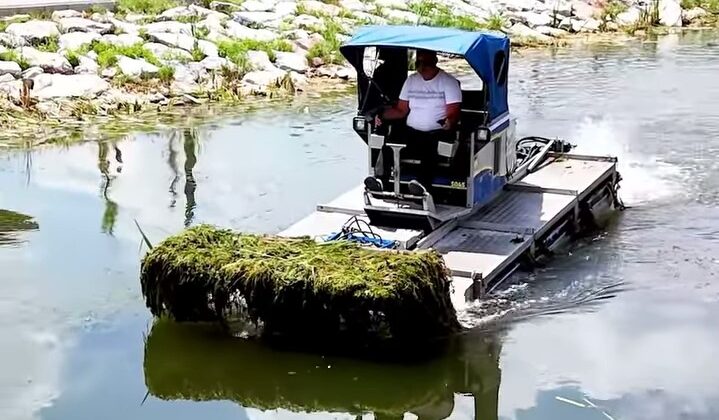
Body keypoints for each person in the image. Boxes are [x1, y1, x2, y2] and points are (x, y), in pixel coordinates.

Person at [365, 49, 462, 195]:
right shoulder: (411, 81)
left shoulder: (448, 82)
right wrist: (381, 115)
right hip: (411, 131)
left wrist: (450, 121)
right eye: (418, 63)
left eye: (426, 63)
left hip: (436, 132)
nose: (422, 67)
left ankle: (421, 185)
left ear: (435, 62)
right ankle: (380, 181)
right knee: (391, 140)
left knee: (429, 146)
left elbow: (453, 112)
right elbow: (401, 110)